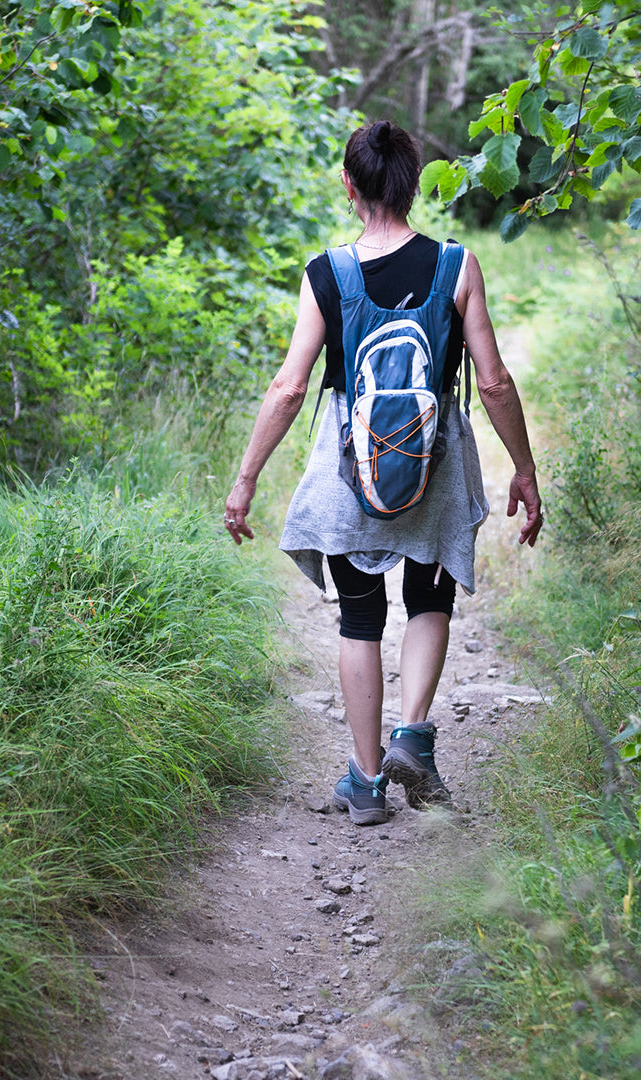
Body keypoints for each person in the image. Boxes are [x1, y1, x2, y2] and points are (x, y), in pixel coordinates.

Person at [223, 119, 542, 825]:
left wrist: (245, 479)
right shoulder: (456, 266)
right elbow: (492, 382)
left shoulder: (326, 274)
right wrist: (524, 469)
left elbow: (288, 388)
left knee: (361, 617)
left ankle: (366, 784)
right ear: (413, 184)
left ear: (350, 185)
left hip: (349, 463)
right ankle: (414, 736)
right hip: (436, 461)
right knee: (431, 602)